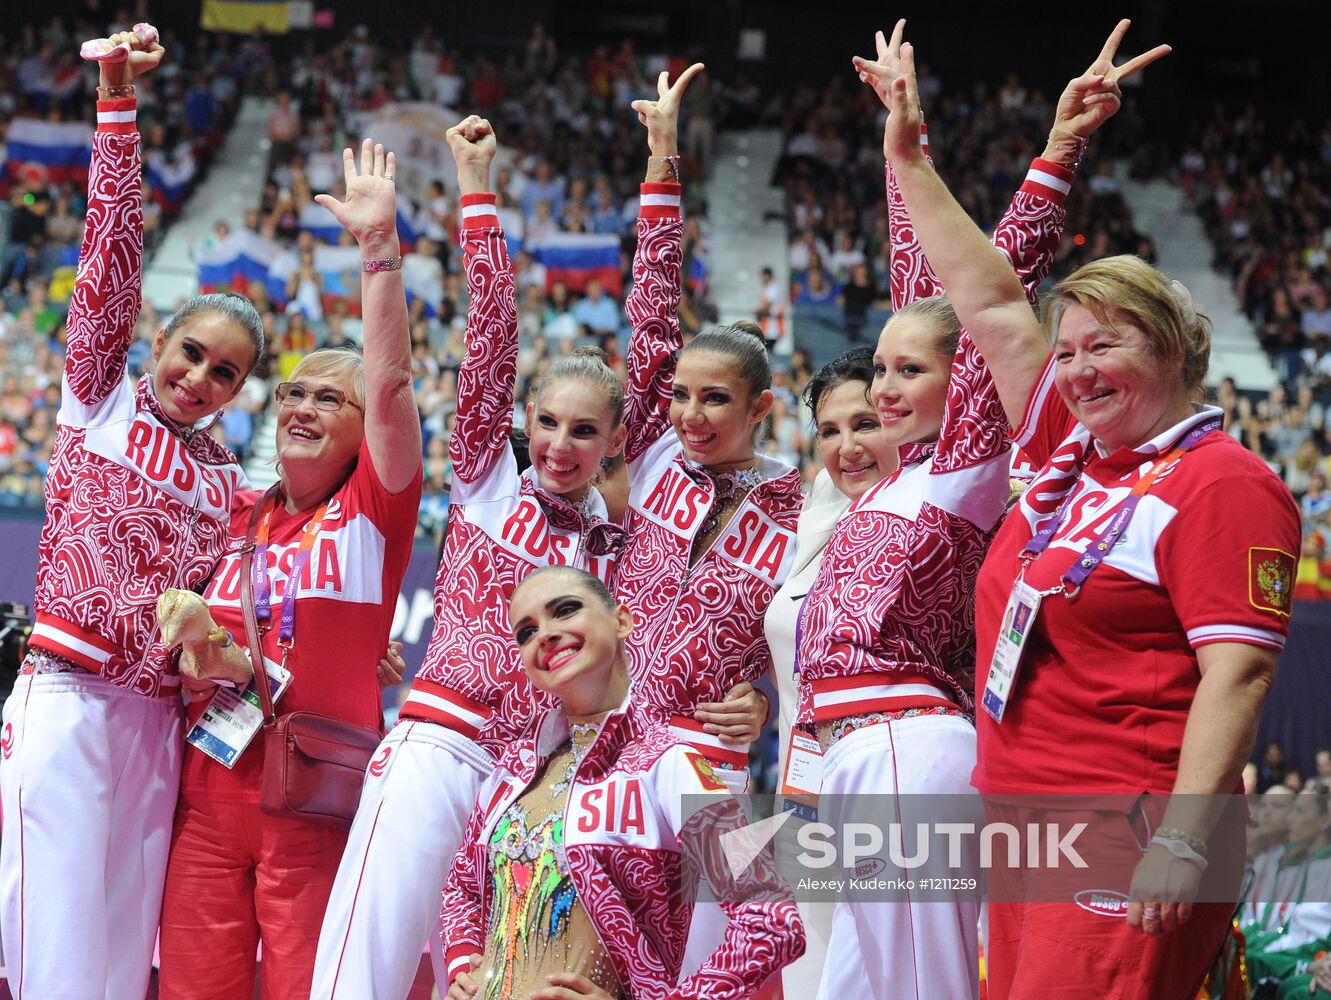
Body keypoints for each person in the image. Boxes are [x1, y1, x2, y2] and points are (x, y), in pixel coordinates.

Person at [882, 22, 1300, 998]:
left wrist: (1186, 841)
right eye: (1063, 349)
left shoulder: (1221, 482)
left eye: (1100, 346)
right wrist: (908, 157)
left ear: (1170, 350)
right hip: (1026, 825)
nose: (1071, 369)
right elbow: (985, 301)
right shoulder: (1065, 454)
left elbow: (1233, 679)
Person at [310, 112, 640, 1000]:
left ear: (614, 441)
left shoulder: (618, 554)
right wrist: (477, 189)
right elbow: (490, 342)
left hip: (526, 783)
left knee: (488, 980)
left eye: (585, 431)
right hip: (438, 748)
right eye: (548, 424)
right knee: (365, 969)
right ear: (524, 426)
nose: (562, 444)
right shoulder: (493, 485)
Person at [790, 19, 1083, 997]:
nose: (879, 387)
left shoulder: (963, 467)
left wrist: (1052, 158)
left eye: (905, 372)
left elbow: (980, 294)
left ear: (962, 384)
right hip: (859, 751)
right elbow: (919, 297)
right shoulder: (896, 477)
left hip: (906, 742)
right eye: (875, 367)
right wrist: (894, 154)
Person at [0, 30, 267, 1000]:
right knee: (53, 950)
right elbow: (107, 254)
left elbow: (258, 591)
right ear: (157, 338)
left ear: (241, 392)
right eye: (189, 352)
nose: (198, 377)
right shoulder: (98, 400)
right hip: (67, 698)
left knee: (117, 962)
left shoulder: (229, 478)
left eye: (224, 372)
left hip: (158, 726)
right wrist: (118, 105)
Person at [157, 137, 422, 999]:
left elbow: (387, 387)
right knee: (197, 986)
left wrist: (379, 254)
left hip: (310, 798)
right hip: (205, 792)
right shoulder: (240, 511)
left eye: (327, 398)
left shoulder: (374, 514)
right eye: (292, 393)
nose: (303, 407)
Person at [440, 566, 805, 1000]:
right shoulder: (513, 768)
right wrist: (464, 964)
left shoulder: (669, 765)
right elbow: (460, 884)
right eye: (526, 632)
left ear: (622, 621)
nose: (545, 635)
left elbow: (772, 916)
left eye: (566, 610)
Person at [762, 344, 896, 993]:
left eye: (865, 423)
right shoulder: (820, 506)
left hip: (893, 804)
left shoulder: (943, 520)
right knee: (807, 983)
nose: (846, 447)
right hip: (801, 796)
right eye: (829, 430)